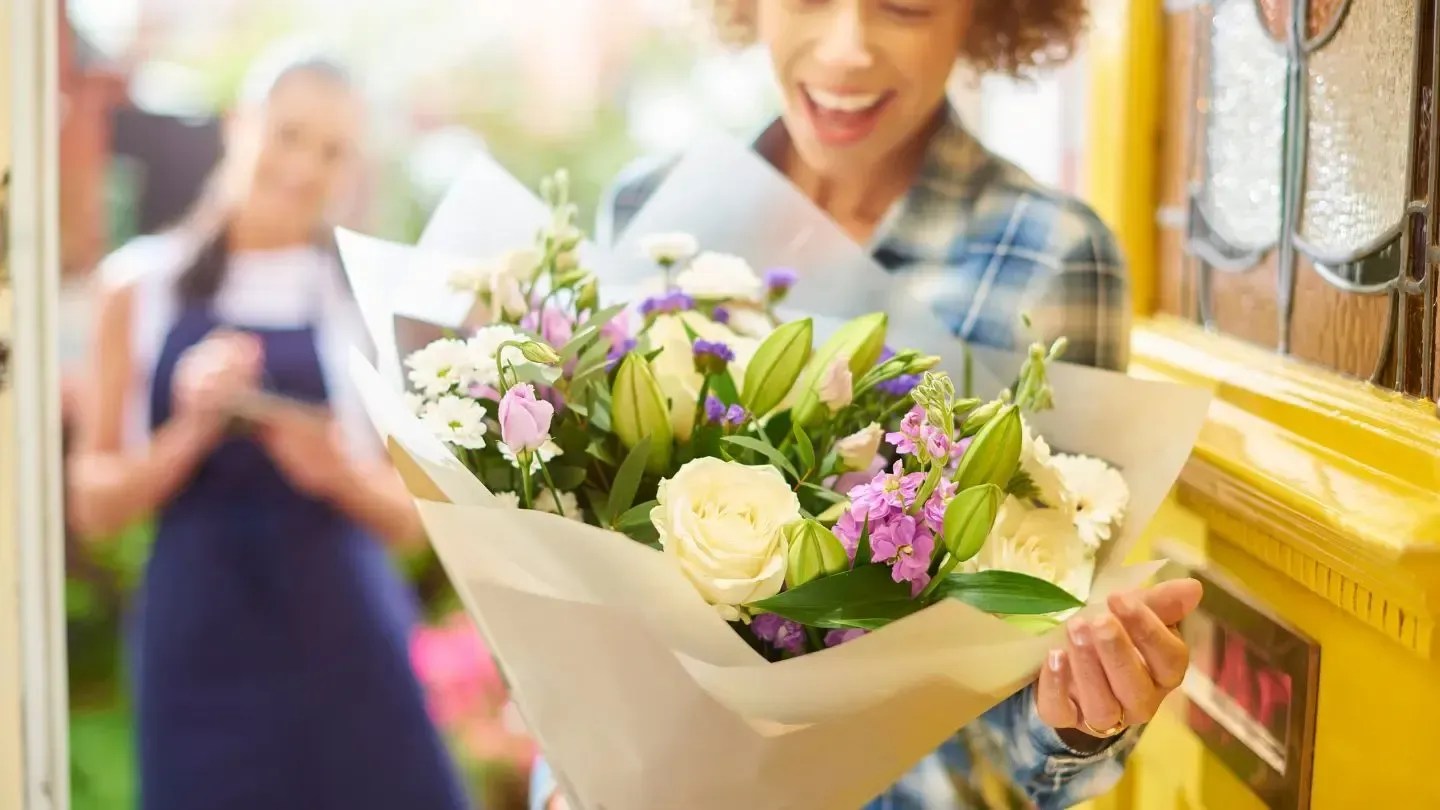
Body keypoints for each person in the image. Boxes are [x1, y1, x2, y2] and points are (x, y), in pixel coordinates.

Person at [531, 1, 1204, 808]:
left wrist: (1081, 713)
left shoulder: (1047, 256)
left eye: (906, 5)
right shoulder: (653, 209)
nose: (848, 50)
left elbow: (1020, 706)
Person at [67, 46, 469, 810]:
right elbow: (93, 503)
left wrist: (337, 473)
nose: (304, 166)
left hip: (346, 649)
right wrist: (189, 430)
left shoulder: (363, 302)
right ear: (239, 126)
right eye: (288, 134)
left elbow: (417, 523)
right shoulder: (137, 286)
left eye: (331, 151)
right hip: (200, 652)